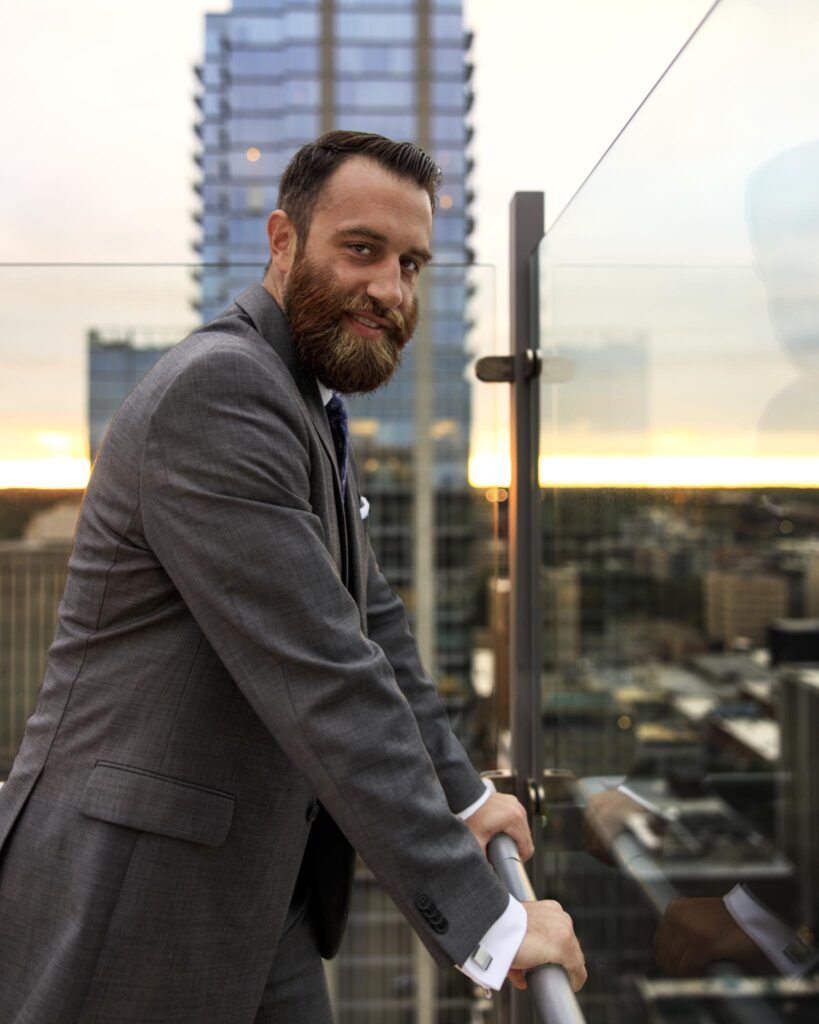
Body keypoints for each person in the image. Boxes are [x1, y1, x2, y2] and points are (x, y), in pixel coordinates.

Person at [0, 131, 586, 1023]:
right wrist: (490, 924)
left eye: (412, 264)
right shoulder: (220, 392)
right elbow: (325, 676)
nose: (391, 289)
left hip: (260, 889)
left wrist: (464, 793)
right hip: (133, 897)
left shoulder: (301, 397)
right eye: (362, 249)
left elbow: (371, 627)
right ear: (282, 240)